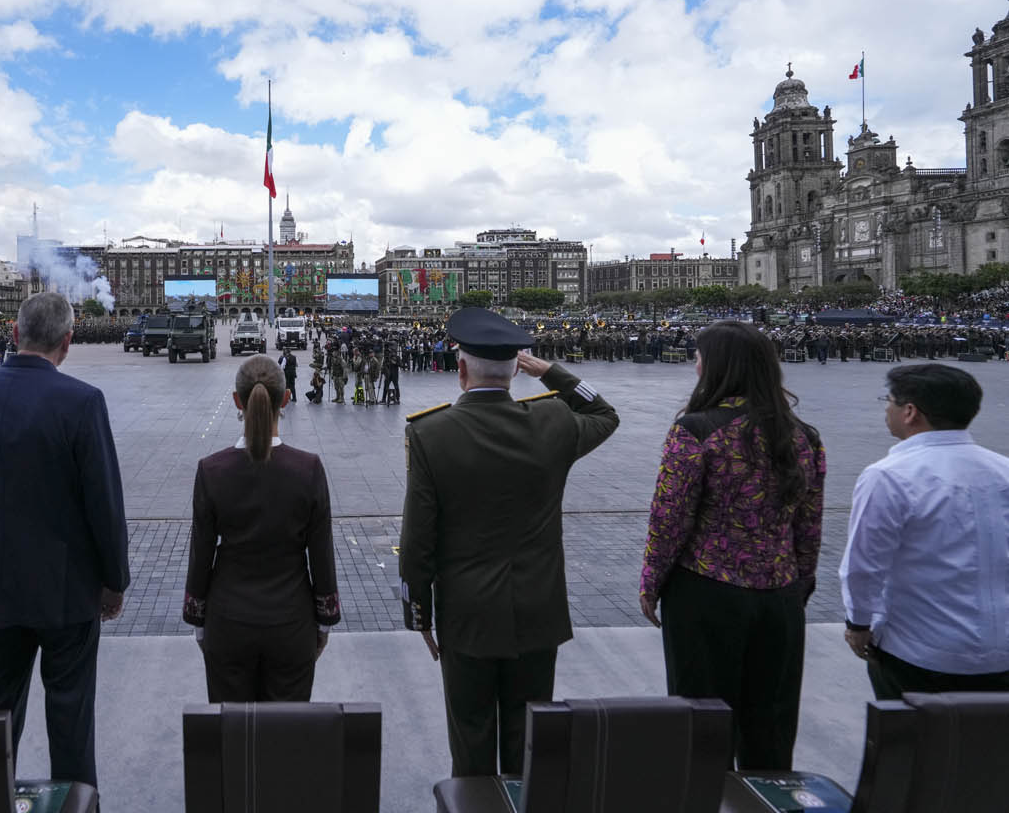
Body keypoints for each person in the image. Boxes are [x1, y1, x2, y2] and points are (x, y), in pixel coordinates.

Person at [399, 307, 619, 777]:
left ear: (461, 370)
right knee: (530, 745)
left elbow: (417, 540)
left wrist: (418, 613)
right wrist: (550, 371)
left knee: (471, 739)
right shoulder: (552, 422)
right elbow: (603, 412)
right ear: (517, 370)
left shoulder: (431, 434)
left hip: (467, 614)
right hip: (538, 610)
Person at [0, 291, 129, 789]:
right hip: (67, 592)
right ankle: (76, 802)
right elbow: (104, 503)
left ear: (14, 333)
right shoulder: (82, 401)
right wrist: (114, 580)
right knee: (71, 721)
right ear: (68, 341)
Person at [639, 320, 824, 771]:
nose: (695, 364)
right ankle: (768, 797)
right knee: (771, 726)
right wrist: (799, 582)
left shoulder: (696, 429)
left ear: (717, 367)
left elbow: (670, 517)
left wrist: (651, 582)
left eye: (699, 356)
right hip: (779, 595)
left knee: (703, 725)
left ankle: (708, 798)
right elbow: (809, 524)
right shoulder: (803, 435)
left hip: (707, 590)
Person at [839, 364, 1009, 698]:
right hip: (1001, 649)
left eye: (888, 401)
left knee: (913, 732)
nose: (885, 409)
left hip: (920, 650)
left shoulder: (887, 476)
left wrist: (858, 624)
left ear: (910, 412)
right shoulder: (1003, 470)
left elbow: (864, 566)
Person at [183, 356, 340, 701]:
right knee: (288, 729)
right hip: (291, 623)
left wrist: (197, 620)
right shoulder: (308, 470)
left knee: (232, 729)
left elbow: (201, 555)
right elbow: (322, 556)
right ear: (285, 399)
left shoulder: (211, 470)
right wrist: (325, 621)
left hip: (228, 622)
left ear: (236, 401)